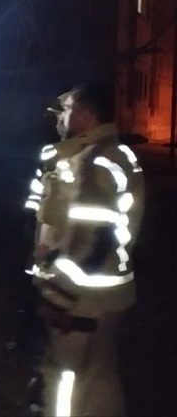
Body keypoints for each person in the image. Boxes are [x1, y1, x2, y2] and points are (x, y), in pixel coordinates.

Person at [23, 83, 145, 416]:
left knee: (65, 377)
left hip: (81, 298)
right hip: (110, 295)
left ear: (87, 115)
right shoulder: (112, 154)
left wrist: (61, 297)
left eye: (67, 110)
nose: (59, 117)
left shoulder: (94, 161)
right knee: (99, 374)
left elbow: (92, 236)